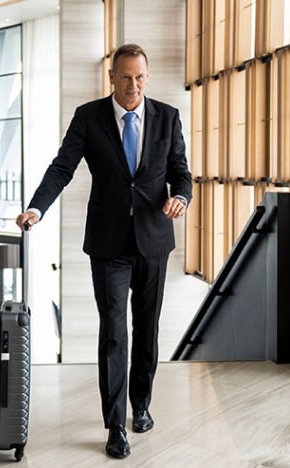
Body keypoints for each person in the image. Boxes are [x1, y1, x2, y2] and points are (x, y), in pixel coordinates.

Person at [15, 43, 192, 459]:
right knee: (114, 330)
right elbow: (62, 167)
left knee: (146, 328)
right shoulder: (89, 117)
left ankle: (141, 404)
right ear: (111, 77)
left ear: (147, 77)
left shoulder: (168, 117)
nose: (134, 86)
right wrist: (37, 207)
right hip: (108, 243)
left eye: (140, 77)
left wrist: (181, 197)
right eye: (126, 77)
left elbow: (181, 172)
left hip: (153, 240)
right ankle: (115, 425)